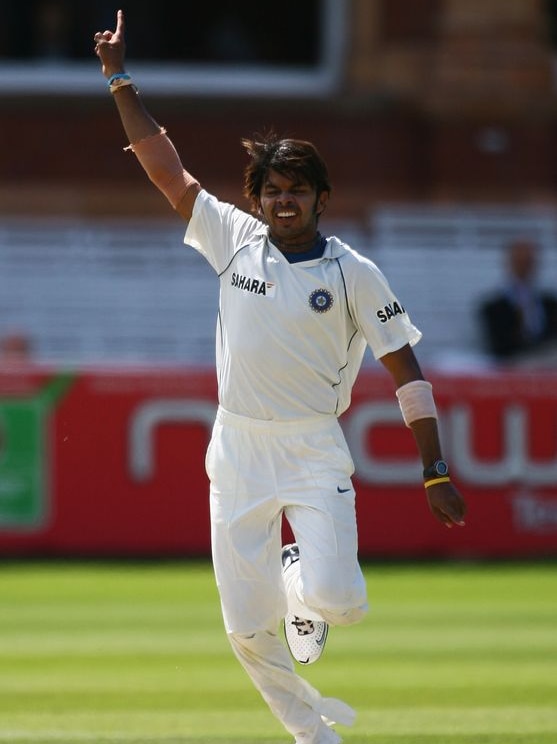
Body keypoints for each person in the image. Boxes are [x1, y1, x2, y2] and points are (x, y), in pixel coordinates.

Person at [94, 11, 467, 744]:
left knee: (341, 603)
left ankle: (300, 583)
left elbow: (405, 367)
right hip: (236, 447)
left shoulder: (352, 272)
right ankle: (311, 735)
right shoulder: (234, 240)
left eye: (297, 189)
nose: (282, 201)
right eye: (271, 191)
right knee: (243, 627)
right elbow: (166, 167)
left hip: (311, 448)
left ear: (321, 198)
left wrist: (434, 469)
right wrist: (117, 78)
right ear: (256, 198)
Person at [478, 238, 557, 362]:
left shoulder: (551, 304)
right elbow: (499, 346)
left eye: (528, 262)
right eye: (519, 262)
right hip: (513, 363)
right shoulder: (493, 308)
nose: (524, 268)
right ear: (510, 263)